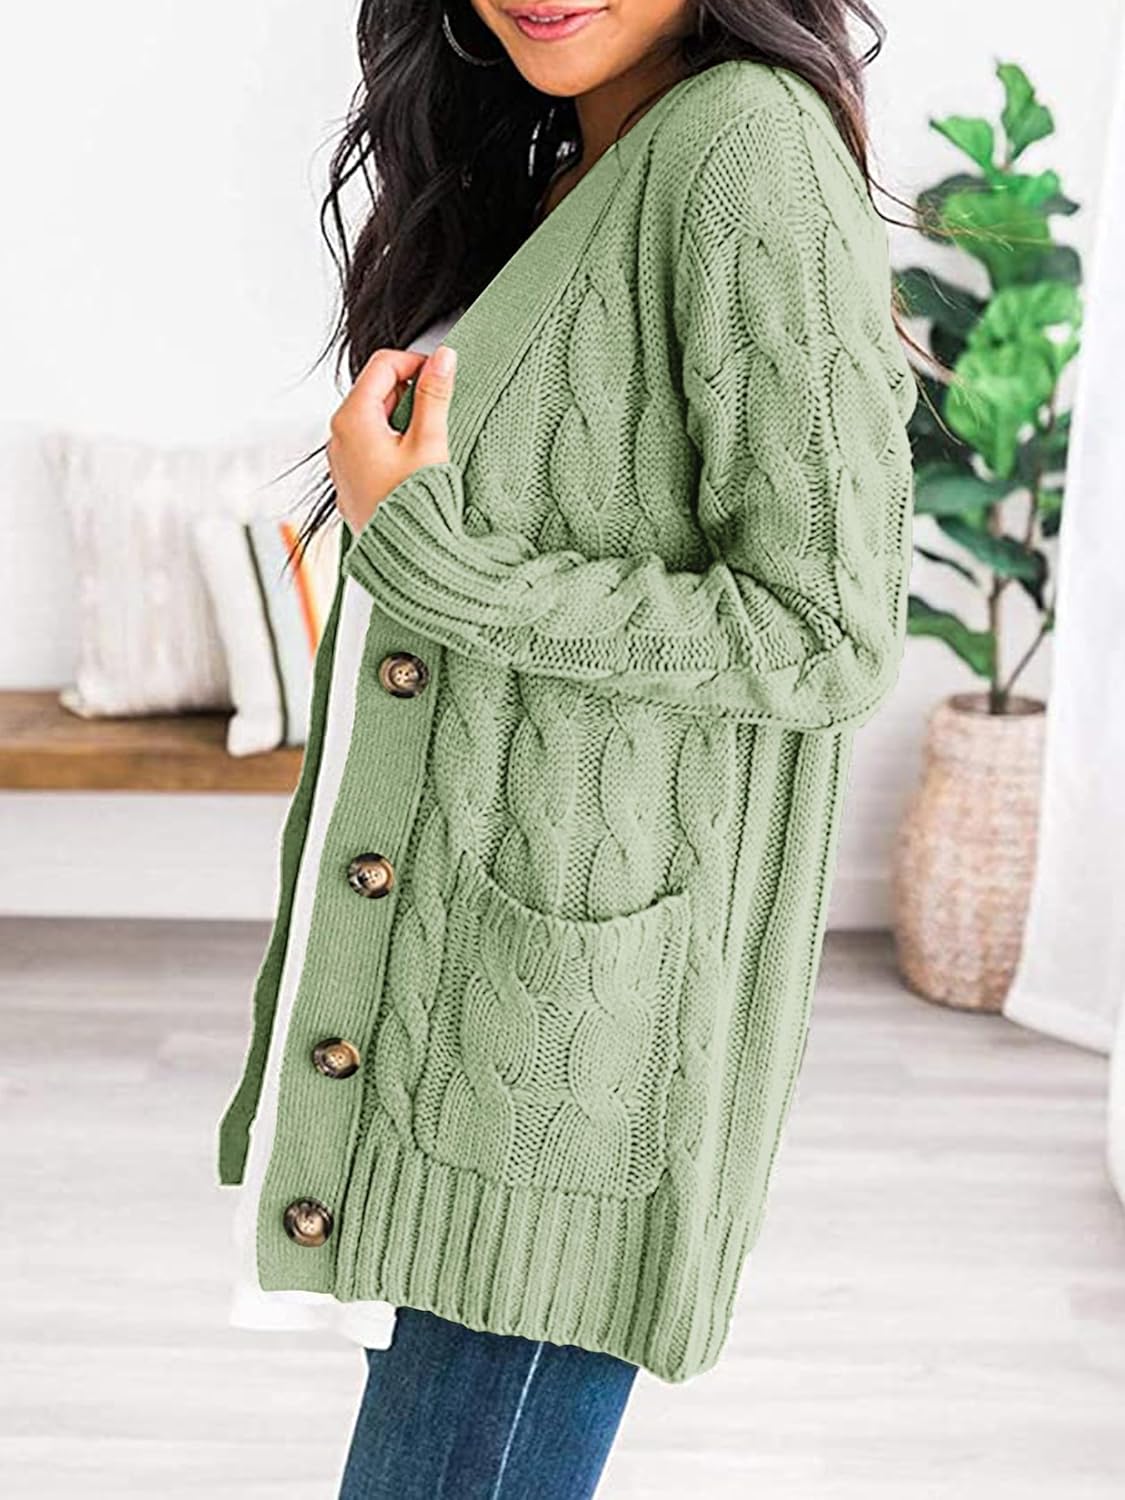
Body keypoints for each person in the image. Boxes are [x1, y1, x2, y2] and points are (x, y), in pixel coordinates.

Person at [216, 2, 917, 1495]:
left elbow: (826, 629)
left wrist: (436, 560)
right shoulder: (557, 163)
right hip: (473, 1008)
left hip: (566, 1051)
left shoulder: (745, 149)